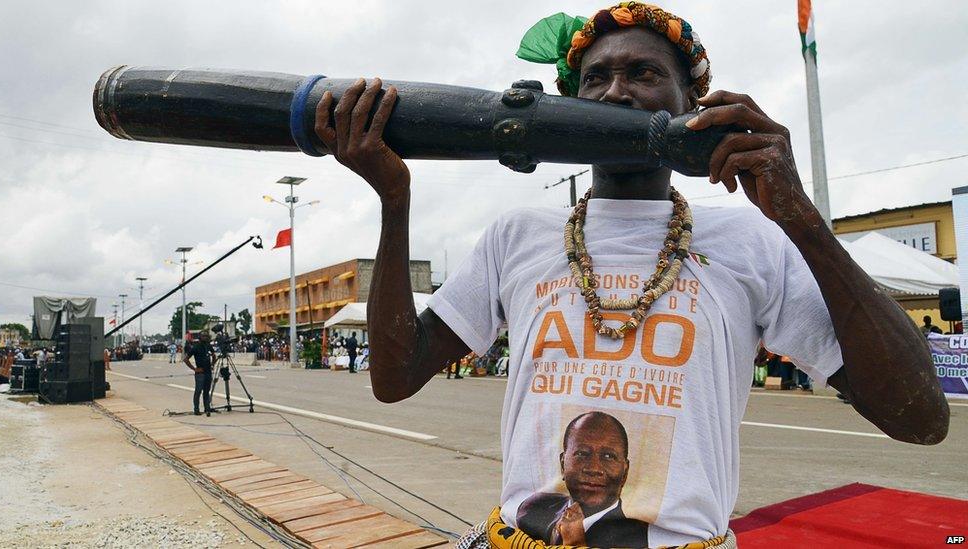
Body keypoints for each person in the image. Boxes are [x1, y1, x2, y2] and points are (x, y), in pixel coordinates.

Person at [314, 3, 949, 547]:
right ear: (570, 108)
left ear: (690, 103)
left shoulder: (752, 240)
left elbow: (920, 418)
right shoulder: (518, 235)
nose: (617, 93)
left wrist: (801, 218)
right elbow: (395, 378)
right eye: (596, 80)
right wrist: (394, 201)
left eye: (644, 75)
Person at [517, 412, 647, 546]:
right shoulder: (532, 508)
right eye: (582, 453)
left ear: (624, 472)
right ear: (563, 464)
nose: (594, 469)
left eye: (608, 456)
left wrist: (575, 543)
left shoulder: (637, 536)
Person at [183, 331, 216, 416]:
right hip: (200, 373)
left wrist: (212, 364)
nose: (205, 337)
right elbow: (186, 359)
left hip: (208, 371)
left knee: (206, 391)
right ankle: (196, 409)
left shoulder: (209, 346)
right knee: (198, 391)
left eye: (206, 336)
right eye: (203, 336)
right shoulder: (195, 347)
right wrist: (194, 369)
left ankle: (207, 408)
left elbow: (214, 355)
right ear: (200, 337)